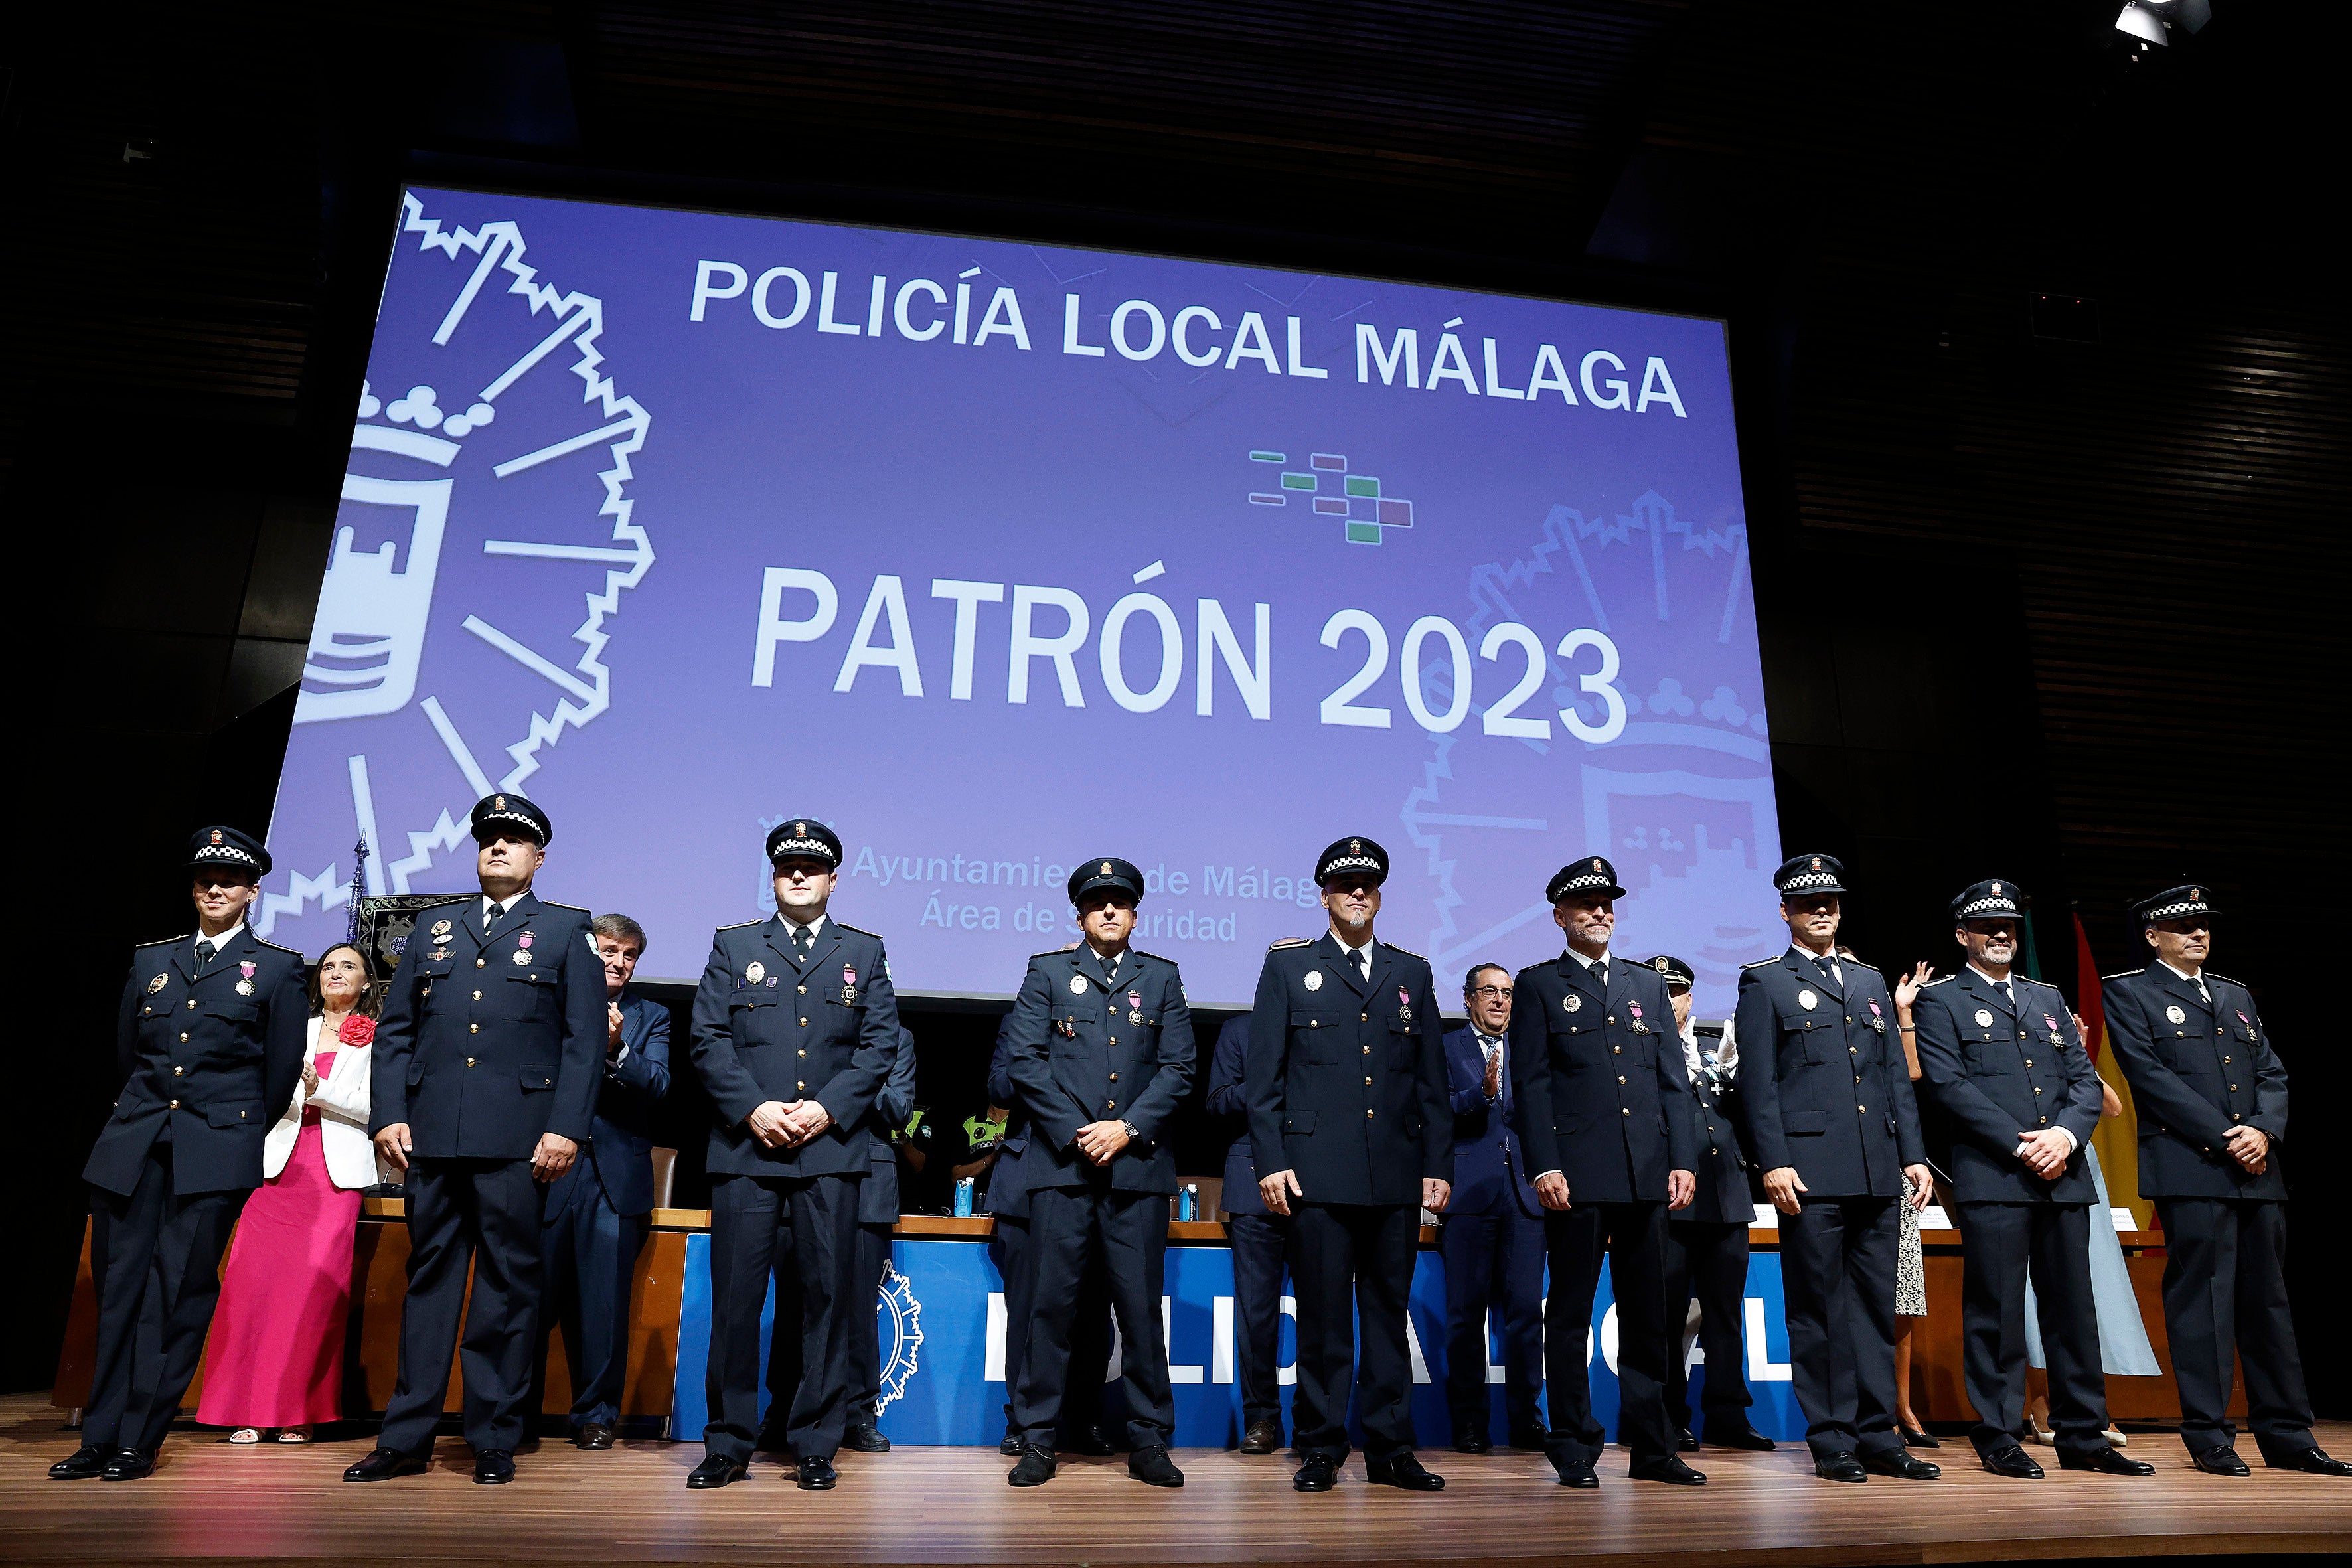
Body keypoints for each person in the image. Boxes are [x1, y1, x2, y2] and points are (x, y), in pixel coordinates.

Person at [348, 793, 604, 1486]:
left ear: (538, 858)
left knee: (506, 1288)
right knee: (429, 1282)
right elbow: (396, 1031)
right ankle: (405, 1437)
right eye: (488, 838)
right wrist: (388, 1114)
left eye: (514, 841)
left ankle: (494, 1434)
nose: (498, 847)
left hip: (519, 1141)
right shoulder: (435, 928)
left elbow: (583, 1043)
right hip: (431, 1136)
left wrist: (565, 1127)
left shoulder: (564, 931)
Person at [52, 828, 307, 1482]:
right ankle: (98, 1437)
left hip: (213, 1152)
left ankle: (140, 1439)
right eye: (203, 880)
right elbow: (125, 1056)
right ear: (193, 889)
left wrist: (228, 1133)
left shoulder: (277, 968)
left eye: (228, 880)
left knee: (177, 1295)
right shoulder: (151, 961)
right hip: (133, 1147)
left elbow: (278, 1077)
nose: (215, 889)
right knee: (119, 1297)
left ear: (252, 891)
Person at [1910, 880, 2152, 1479]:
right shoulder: (1941, 1000)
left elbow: (2082, 1079)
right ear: (1962, 935)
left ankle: (2083, 1435)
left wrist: (2065, 1137)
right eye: (1988, 926)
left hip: (2062, 1173)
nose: (2001, 934)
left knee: (2073, 1311)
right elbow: (1948, 1086)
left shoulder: (2046, 998)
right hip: (1996, 1174)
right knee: (1994, 1310)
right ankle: (1997, 1434)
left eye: (2009, 926)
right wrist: (2026, 1146)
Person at [684, 817, 900, 1492]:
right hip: (747, 1150)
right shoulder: (735, 944)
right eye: (787, 867)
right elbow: (708, 1038)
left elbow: (879, 1046)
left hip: (829, 1151)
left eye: (812, 867)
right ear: (773, 877)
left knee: (827, 1304)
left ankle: (815, 1443)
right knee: (737, 1305)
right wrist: (753, 1107)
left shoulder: (863, 953)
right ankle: (729, 1443)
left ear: (835, 878)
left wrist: (827, 1107)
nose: (799, 875)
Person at [2102, 885, 2347, 1477]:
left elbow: (2271, 1072)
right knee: (2202, 1308)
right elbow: (2151, 1079)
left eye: (2203, 924)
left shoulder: (2234, 995)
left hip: (2258, 1169)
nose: (2198, 934)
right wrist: (2227, 1137)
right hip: (2194, 1167)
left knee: (2269, 1305)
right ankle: (2209, 1437)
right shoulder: (2130, 992)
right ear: (2152, 935)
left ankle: (2288, 1435)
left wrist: (2263, 1130)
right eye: (2183, 926)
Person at [1247, 836, 1452, 1494]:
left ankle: (1391, 1448)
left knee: (1388, 1316)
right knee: (1325, 1319)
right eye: (1344, 885)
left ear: (1380, 895)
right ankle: (1321, 1445)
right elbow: (1265, 1082)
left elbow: (1430, 1083)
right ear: (1325, 895)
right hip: (1315, 1174)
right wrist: (1272, 1162)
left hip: (1393, 1172)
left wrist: (1437, 1165)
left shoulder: (1410, 973)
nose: (1357, 894)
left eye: (1367, 885)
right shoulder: (1288, 968)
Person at [1732, 852, 1940, 1484]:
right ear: (1785, 913)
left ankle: (1879, 1435)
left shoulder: (1870, 981)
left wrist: (1911, 1153)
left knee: (1876, 1310)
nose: (1820, 911)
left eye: (1829, 902)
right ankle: (1831, 1439)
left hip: (1877, 1169)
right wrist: (1774, 1163)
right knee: (1819, 1311)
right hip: (1810, 1172)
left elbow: (1890, 1079)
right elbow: (1757, 1086)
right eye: (1807, 904)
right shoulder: (1763, 980)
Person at [1506, 858, 1705, 1489]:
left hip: (1646, 1174)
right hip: (1577, 1176)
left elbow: (1673, 1082)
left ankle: (1653, 1446)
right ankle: (1571, 1442)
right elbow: (1532, 1085)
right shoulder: (1538, 984)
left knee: (1649, 1316)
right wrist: (1544, 1165)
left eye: (1607, 903)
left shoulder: (1646, 984)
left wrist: (1682, 1158)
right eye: (1586, 904)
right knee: (1567, 1314)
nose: (1600, 912)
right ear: (1560, 916)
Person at [1002, 858, 1195, 1489]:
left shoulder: (1161, 978)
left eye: (1119, 902)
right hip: (1062, 1168)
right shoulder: (1048, 971)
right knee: (1050, 1310)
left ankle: (1148, 1442)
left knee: (1140, 1313)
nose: (1109, 911)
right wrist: (1078, 1130)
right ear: (1079, 914)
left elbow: (1178, 1069)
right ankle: (1037, 1438)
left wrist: (1126, 1129)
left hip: (1136, 1169)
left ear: (1135, 913)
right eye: (1097, 903)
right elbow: (1023, 1063)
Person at [197, 941, 384, 1443]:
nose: (336, 973)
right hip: (276, 1169)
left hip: (333, 1176)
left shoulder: (380, 1038)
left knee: (311, 1295)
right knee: (251, 1288)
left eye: (349, 966)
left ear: (367, 983)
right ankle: (246, 1410)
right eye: (328, 966)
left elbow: (378, 1108)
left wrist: (316, 1088)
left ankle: (299, 1411)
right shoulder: (289, 1031)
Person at [536, 913, 671, 1450]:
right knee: (529, 1299)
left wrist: (617, 1048)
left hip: (612, 1177)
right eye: (609, 951)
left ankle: (596, 1415)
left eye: (629, 955)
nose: (618, 963)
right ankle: (511, 1411)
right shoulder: (545, 1003)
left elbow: (658, 1083)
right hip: (546, 1169)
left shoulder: (650, 1016)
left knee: (603, 1307)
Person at [767, 1023, 919, 1455]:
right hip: (798, 1171)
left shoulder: (897, 1039)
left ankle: (858, 1414)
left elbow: (899, 1110)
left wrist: (853, 1078)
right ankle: (781, 1411)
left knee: (856, 1306)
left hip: (866, 1180)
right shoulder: (807, 1027)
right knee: (794, 1301)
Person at [1649, 953, 1774, 1453]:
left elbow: (1748, 1120)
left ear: (1689, 1000)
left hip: (1725, 1196)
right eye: (1660, 995)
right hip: (1670, 1201)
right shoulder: (1637, 1055)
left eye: (1676, 994)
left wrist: (1740, 1076)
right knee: (1667, 1316)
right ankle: (1668, 1416)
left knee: (1724, 1316)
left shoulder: (1712, 1050)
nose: (1670, 1003)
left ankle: (1726, 1416)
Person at [984, 1014, 1113, 1458]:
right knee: (1027, 1310)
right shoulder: (1022, 1023)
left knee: (1093, 1310)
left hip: (1096, 1177)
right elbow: (1000, 1089)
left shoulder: (1112, 1026)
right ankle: (1023, 1419)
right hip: (1025, 1183)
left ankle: (1084, 1417)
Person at [1438, 963, 1545, 1454]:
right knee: (1465, 1315)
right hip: (1469, 1192)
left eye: (1506, 993)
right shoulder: (1444, 1048)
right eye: (1489, 992)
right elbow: (1434, 1112)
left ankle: (1527, 1421)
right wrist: (1476, 1096)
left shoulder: (1530, 1050)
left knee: (1525, 1311)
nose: (1500, 1001)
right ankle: (1468, 1424)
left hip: (1525, 1193)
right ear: (1467, 999)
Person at [2023, 1069, 2156, 1444]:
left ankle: (2086, 1405)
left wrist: (2077, 1059)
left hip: (2078, 1165)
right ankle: (2039, 1402)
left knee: (2087, 1286)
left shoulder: (2067, 1055)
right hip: (2027, 1155)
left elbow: (2112, 1108)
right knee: (2032, 1289)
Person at [1204, 1012, 1306, 1455]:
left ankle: (1315, 1423)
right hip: (1252, 1183)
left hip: (1320, 1183)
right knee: (1256, 1314)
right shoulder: (1240, 1030)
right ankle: (1261, 1419)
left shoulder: (1326, 1023)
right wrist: (1270, 1079)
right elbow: (1219, 1101)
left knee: (1324, 1314)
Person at [1883, 954, 1938, 1448]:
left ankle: (1901, 1406)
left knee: (1902, 1299)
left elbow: (1913, 1074)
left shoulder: (1877, 1029)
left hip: (1892, 1169)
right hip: (1832, 1170)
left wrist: (1903, 1013)